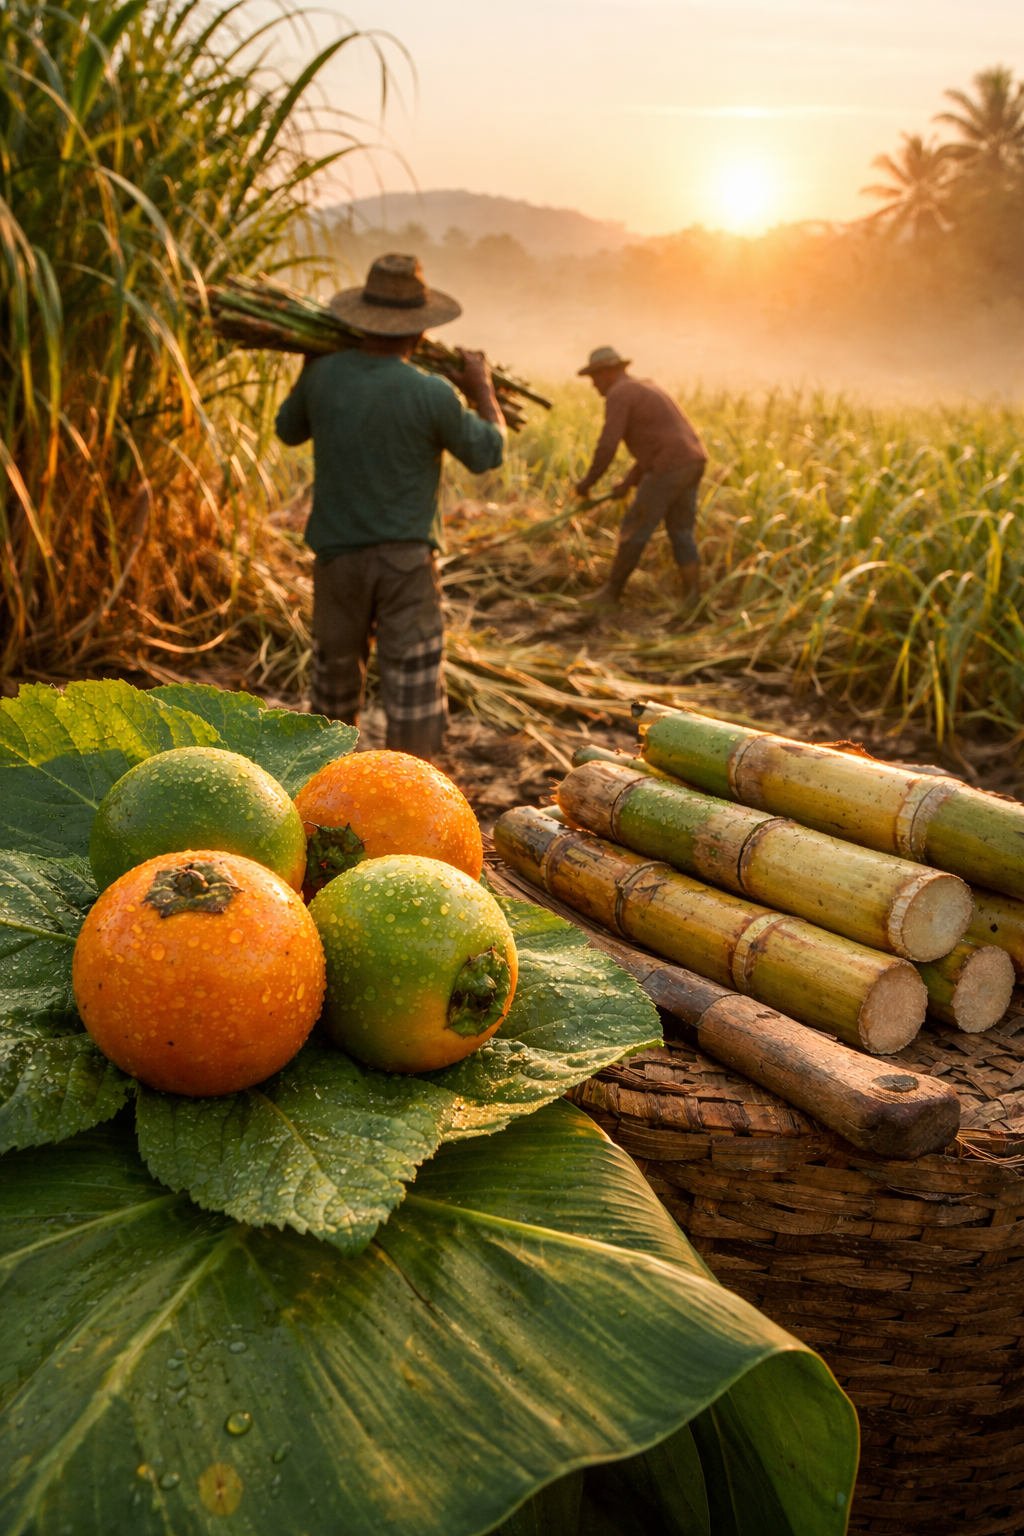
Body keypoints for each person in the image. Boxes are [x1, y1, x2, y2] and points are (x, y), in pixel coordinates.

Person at [275, 253, 506, 761]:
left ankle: (324, 786)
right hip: (405, 564)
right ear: (420, 332)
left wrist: (310, 368)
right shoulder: (433, 392)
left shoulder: (323, 375)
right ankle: (413, 797)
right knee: (414, 690)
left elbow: (287, 430)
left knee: (333, 682)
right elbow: (488, 452)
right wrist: (482, 389)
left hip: (337, 559)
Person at [573, 346, 707, 611]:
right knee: (681, 531)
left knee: (634, 526)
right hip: (692, 461)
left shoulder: (620, 393)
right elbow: (659, 444)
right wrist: (626, 483)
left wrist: (587, 482)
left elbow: (608, 444)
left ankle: (611, 594)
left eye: (595, 378)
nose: (594, 385)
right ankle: (693, 600)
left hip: (670, 465)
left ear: (609, 373)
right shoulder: (646, 387)